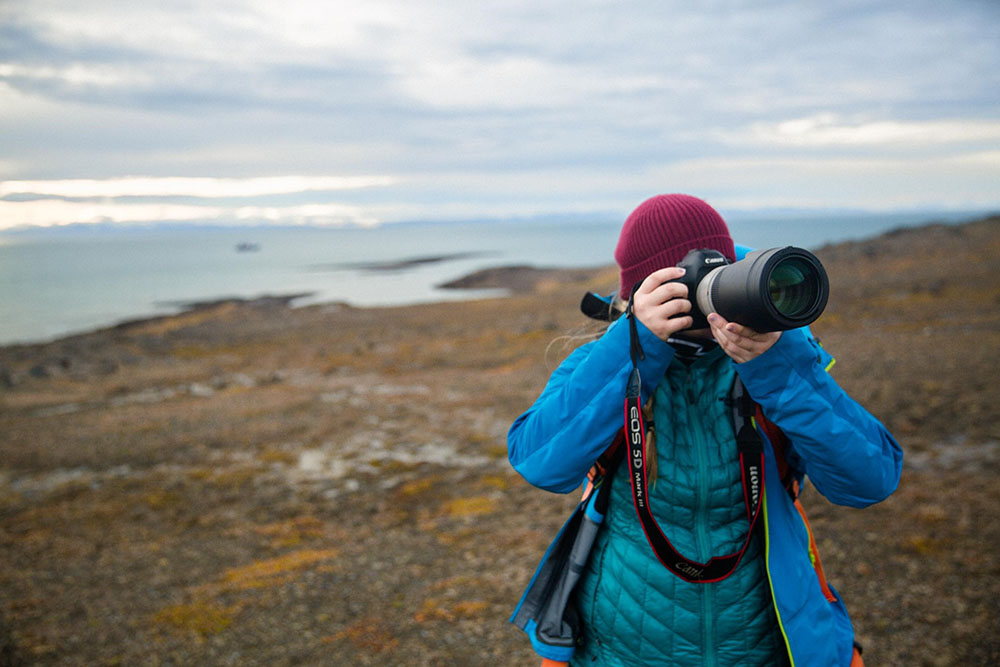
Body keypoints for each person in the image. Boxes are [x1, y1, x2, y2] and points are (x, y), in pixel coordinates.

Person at [507, 194, 902, 666]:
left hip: (761, 642)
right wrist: (634, 346)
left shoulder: (776, 355)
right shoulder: (609, 360)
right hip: (627, 644)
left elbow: (870, 481)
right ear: (639, 294)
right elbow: (539, 464)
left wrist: (778, 367)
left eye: (717, 276)